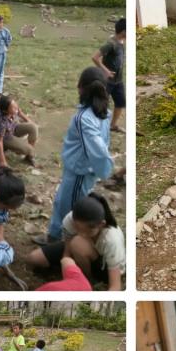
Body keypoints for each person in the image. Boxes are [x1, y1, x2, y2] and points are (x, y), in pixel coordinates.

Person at [46, 67, 114, 241]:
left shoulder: (84, 118)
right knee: (61, 202)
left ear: (81, 88)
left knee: (70, 209)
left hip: (80, 172)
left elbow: (98, 148)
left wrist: (104, 169)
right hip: (77, 170)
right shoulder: (103, 113)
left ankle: (63, 246)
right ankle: (54, 235)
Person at [29, 193, 124, 291]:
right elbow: (67, 252)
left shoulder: (112, 239)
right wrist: (67, 267)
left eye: (88, 231)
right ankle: (78, 275)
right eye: (77, 228)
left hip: (105, 268)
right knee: (35, 258)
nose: (82, 234)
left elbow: (115, 286)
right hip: (79, 249)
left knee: (77, 242)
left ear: (101, 224)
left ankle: (86, 281)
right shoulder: (71, 219)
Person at [92, 18, 126, 133]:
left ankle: (113, 125)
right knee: (100, 104)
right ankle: (94, 127)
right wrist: (106, 71)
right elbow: (95, 57)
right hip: (107, 81)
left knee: (121, 102)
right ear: (123, 32)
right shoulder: (111, 44)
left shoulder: (122, 42)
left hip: (119, 81)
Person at [0, 95, 38, 165]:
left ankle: (28, 156)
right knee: (29, 149)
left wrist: (27, 120)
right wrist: (3, 161)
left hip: (13, 128)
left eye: (15, 104)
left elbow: (20, 113)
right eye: (13, 107)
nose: (16, 107)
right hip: (5, 137)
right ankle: (9, 147)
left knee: (33, 127)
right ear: (5, 111)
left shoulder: (13, 109)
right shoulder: (1, 122)